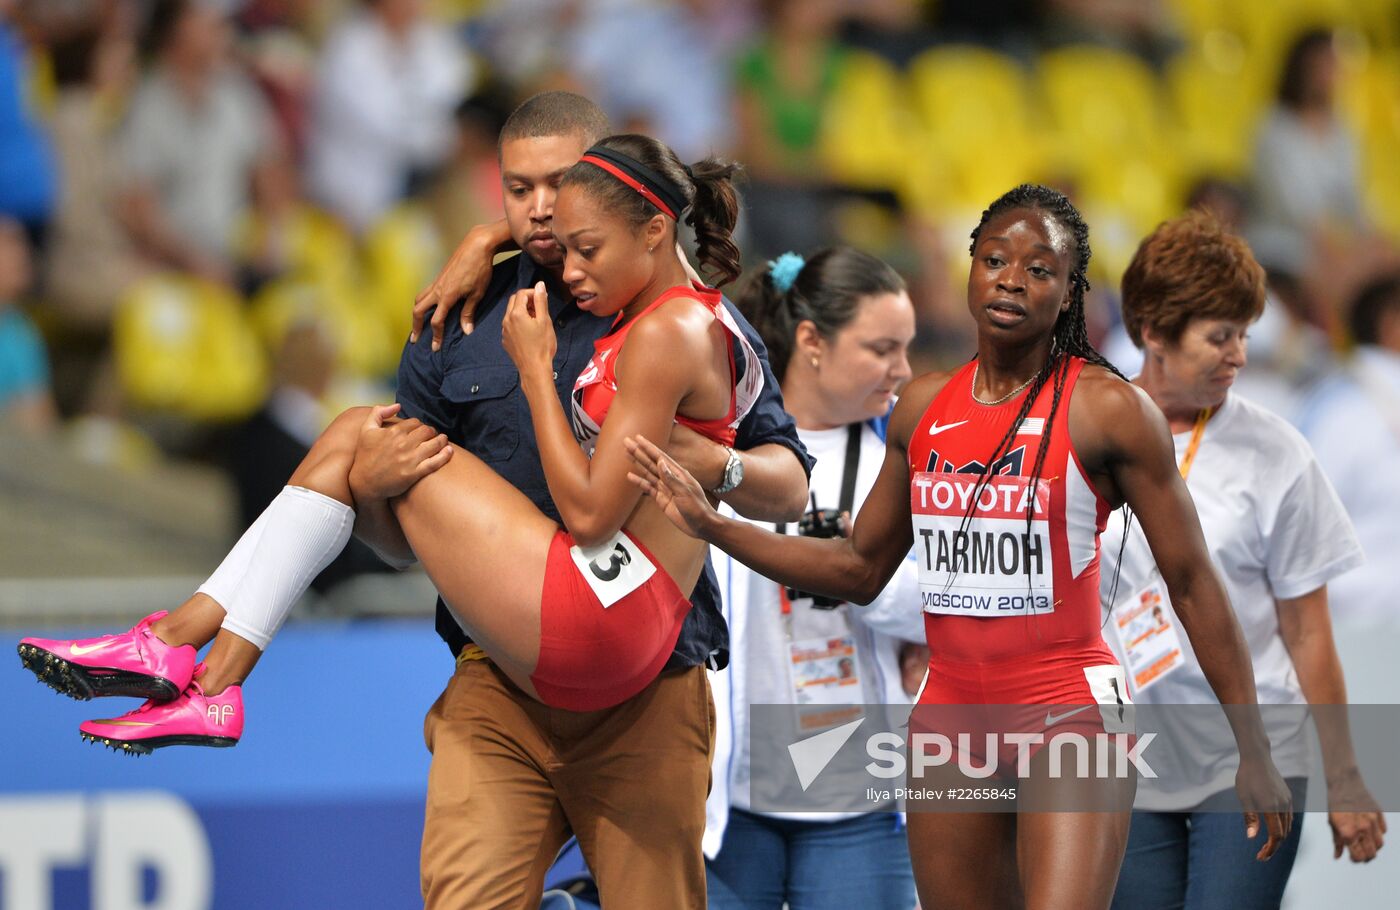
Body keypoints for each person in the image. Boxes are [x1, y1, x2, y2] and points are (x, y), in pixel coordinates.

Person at [21, 91, 810, 908]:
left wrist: (708, 463)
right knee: (364, 446)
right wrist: (377, 493)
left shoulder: (658, 317)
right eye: (516, 192)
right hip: (499, 677)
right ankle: (202, 662)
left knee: (356, 428)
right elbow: (401, 543)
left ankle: (195, 652)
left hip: (645, 688)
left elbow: (785, 478)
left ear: (608, 186)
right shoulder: (456, 318)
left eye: (562, 191)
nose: (543, 215)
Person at [627, 184, 1295, 908]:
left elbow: (1193, 582)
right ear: (969, 272)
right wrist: (716, 524)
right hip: (949, 718)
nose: (1011, 277)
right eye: (994, 259)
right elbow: (858, 568)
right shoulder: (923, 408)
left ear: (1070, 295)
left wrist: (1251, 746)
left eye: (1040, 269)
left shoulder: (1109, 409)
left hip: (1068, 708)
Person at [1101, 211, 1384, 910]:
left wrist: (1345, 777)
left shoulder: (1277, 452)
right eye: (1219, 337)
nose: (1239, 356)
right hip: (1124, 760)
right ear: (1152, 332)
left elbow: (1308, 630)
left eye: (1245, 335)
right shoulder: (1088, 437)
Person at [703, 248, 924, 909]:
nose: (903, 370)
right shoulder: (722, 453)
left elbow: (949, 602)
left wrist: (863, 571)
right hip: (728, 801)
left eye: (907, 348)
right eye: (882, 348)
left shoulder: (906, 456)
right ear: (811, 342)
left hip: (856, 800)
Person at [1298, 273, 1400, 627]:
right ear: (1392, 325)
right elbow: (1302, 535)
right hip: (1362, 632)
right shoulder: (1345, 410)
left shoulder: (1336, 405)